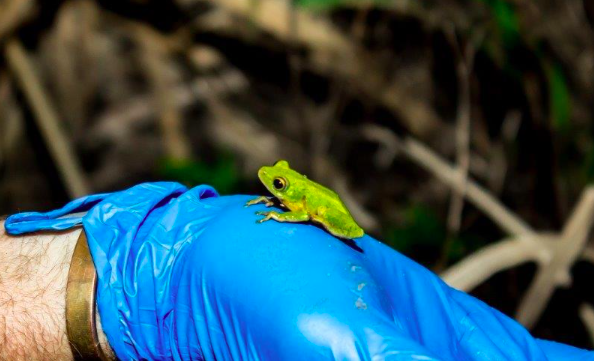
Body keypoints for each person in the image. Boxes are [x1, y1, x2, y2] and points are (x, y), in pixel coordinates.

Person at [2, 182, 593, 361]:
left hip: (330, 222)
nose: (268, 181)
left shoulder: (302, 204)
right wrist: (147, 269)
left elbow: (317, 211)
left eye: (276, 182)